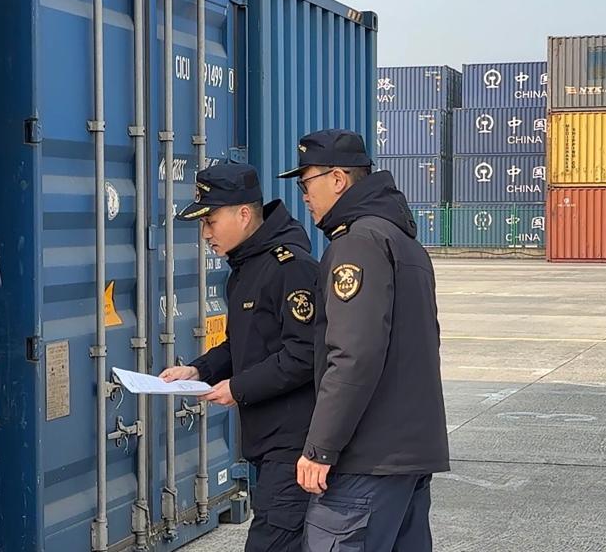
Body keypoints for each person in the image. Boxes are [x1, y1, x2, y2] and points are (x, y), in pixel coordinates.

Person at [278, 129, 450, 551]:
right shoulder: (402, 241)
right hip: (407, 455)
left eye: (306, 182)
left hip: (368, 458)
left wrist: (320, 447)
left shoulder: (357, 244)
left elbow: (354, 354)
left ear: (338, 179)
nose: (304, 195)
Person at [160, 162, 318, 552]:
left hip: (293, 444)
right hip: (267, 442)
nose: (205, 233)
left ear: (244, 214)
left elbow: (304, 354)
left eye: (210, 221)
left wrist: (238, 388)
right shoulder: (245, 270)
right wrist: (197, 369)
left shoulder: (291, 268)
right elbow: (242, 345)